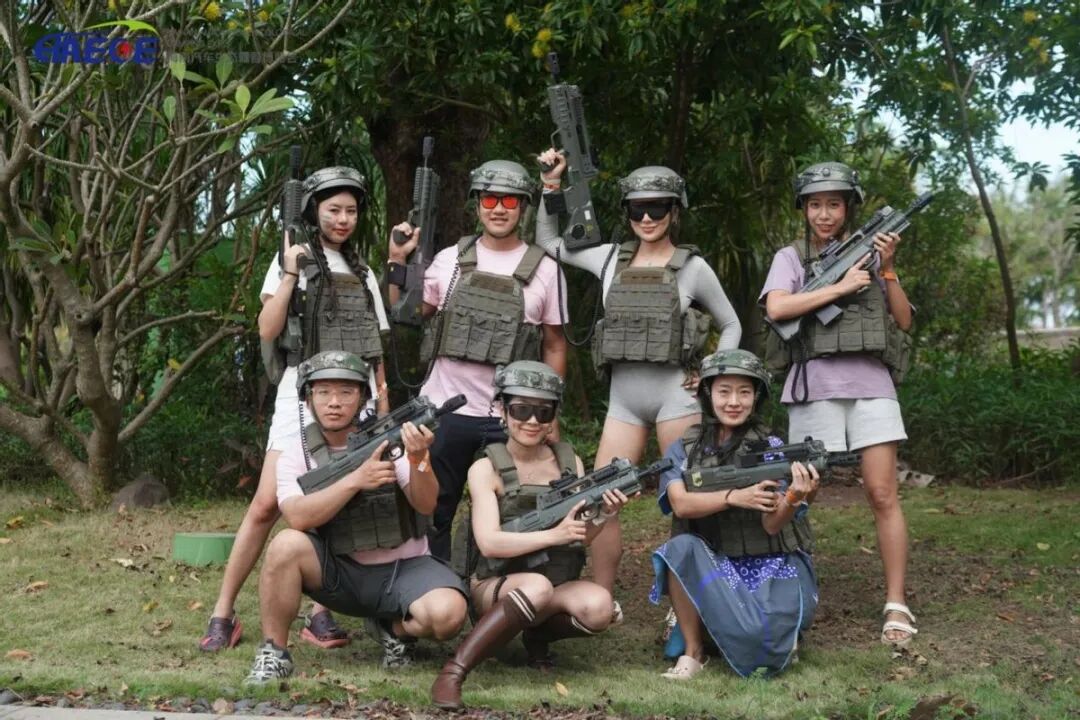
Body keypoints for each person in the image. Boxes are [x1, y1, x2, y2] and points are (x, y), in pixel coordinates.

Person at [534, 150, 742, 600]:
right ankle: (602, 597)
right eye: (637, 209)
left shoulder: (692, 267)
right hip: (624, 402)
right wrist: (551, 185)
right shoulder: (609, 258)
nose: (647, 218)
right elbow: (549, 241)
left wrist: (711, 375)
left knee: (686, 498)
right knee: (602, 499)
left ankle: (689, 603)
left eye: (658, 207)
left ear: (675, 210)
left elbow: (731, 324)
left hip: (676, 399)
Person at [201, 167, 390, 652]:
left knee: (340, 497)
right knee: (268, 503)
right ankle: (223, 611)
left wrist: (383, 405)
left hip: (358, 399)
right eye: (334, 210)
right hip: (301, 395)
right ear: (314, 211)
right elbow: (267, 328)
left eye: (351, 211)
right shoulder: (292, 260)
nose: (343, 219)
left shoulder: (364, 273)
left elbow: (376, 352)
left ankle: (320, 611)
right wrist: (290, 271)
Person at [760, 161, 916, 647]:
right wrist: (841, 287)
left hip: (872, 385)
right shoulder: (791, 256)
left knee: (882, 493)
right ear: (804, 209)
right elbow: (777, 307)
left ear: (849, 208)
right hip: (814, 385)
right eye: (815, 205)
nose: (824, 214)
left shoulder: (872, 253)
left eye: (833, 204)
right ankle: (782, 594)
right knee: (800, 494)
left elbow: (904, 321)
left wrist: (886, 269)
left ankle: (896, 602)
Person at [244, 351, 468, 684]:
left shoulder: (391, 439)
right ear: (307, 397)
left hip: (404, 569)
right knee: (284, 545)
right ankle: (274, 653)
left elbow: (425, 505)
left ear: (362, 397)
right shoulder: (295, 451)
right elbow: (296, 517)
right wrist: (356, 480)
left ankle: (392, 630)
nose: (334, 402)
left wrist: (420, 457)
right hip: (340, 573)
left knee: (449, 614)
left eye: (346, 392)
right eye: (324, 392)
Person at [387, 160, 568, 563]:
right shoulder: (450, 258)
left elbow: (555, 345)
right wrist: (397, 259)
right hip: (445, 409)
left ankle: (496, 587)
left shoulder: (545, 269)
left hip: (513, 416)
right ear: (478, 204)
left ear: (523, 206)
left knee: (513, 509)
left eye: (509, 201)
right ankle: (434, 584)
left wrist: (550, 412)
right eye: (490, 199)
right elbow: (407, 314)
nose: (499, 208)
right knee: (433, 510)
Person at [430, 361, 625, 709]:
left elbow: (580, 537)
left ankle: (536, 636)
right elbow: (489, 542)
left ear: (553, 416)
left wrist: (605, 513)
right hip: (494, 584)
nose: (532, 421)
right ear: (503, 410)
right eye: (521, 409)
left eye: (543, 411)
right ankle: (453, 672)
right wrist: (553, 536)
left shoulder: (570, 464)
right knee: (536, 587)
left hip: (551, 583)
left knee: (599, 607)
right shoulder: (485, 468)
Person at [650, 349, 819, 679]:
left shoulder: (773, 448)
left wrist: (794, 497)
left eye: (744, 392)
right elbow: (680, 503)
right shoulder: (684, 448)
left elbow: (772, 525)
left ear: (756, 397)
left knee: (760, 644)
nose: (734, 402)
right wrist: (735, 497)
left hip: (770, 566)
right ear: (707, 394)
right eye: (724, 391)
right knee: (680, 548)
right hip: (715, 566)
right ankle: (693, 652)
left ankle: (760, 634)